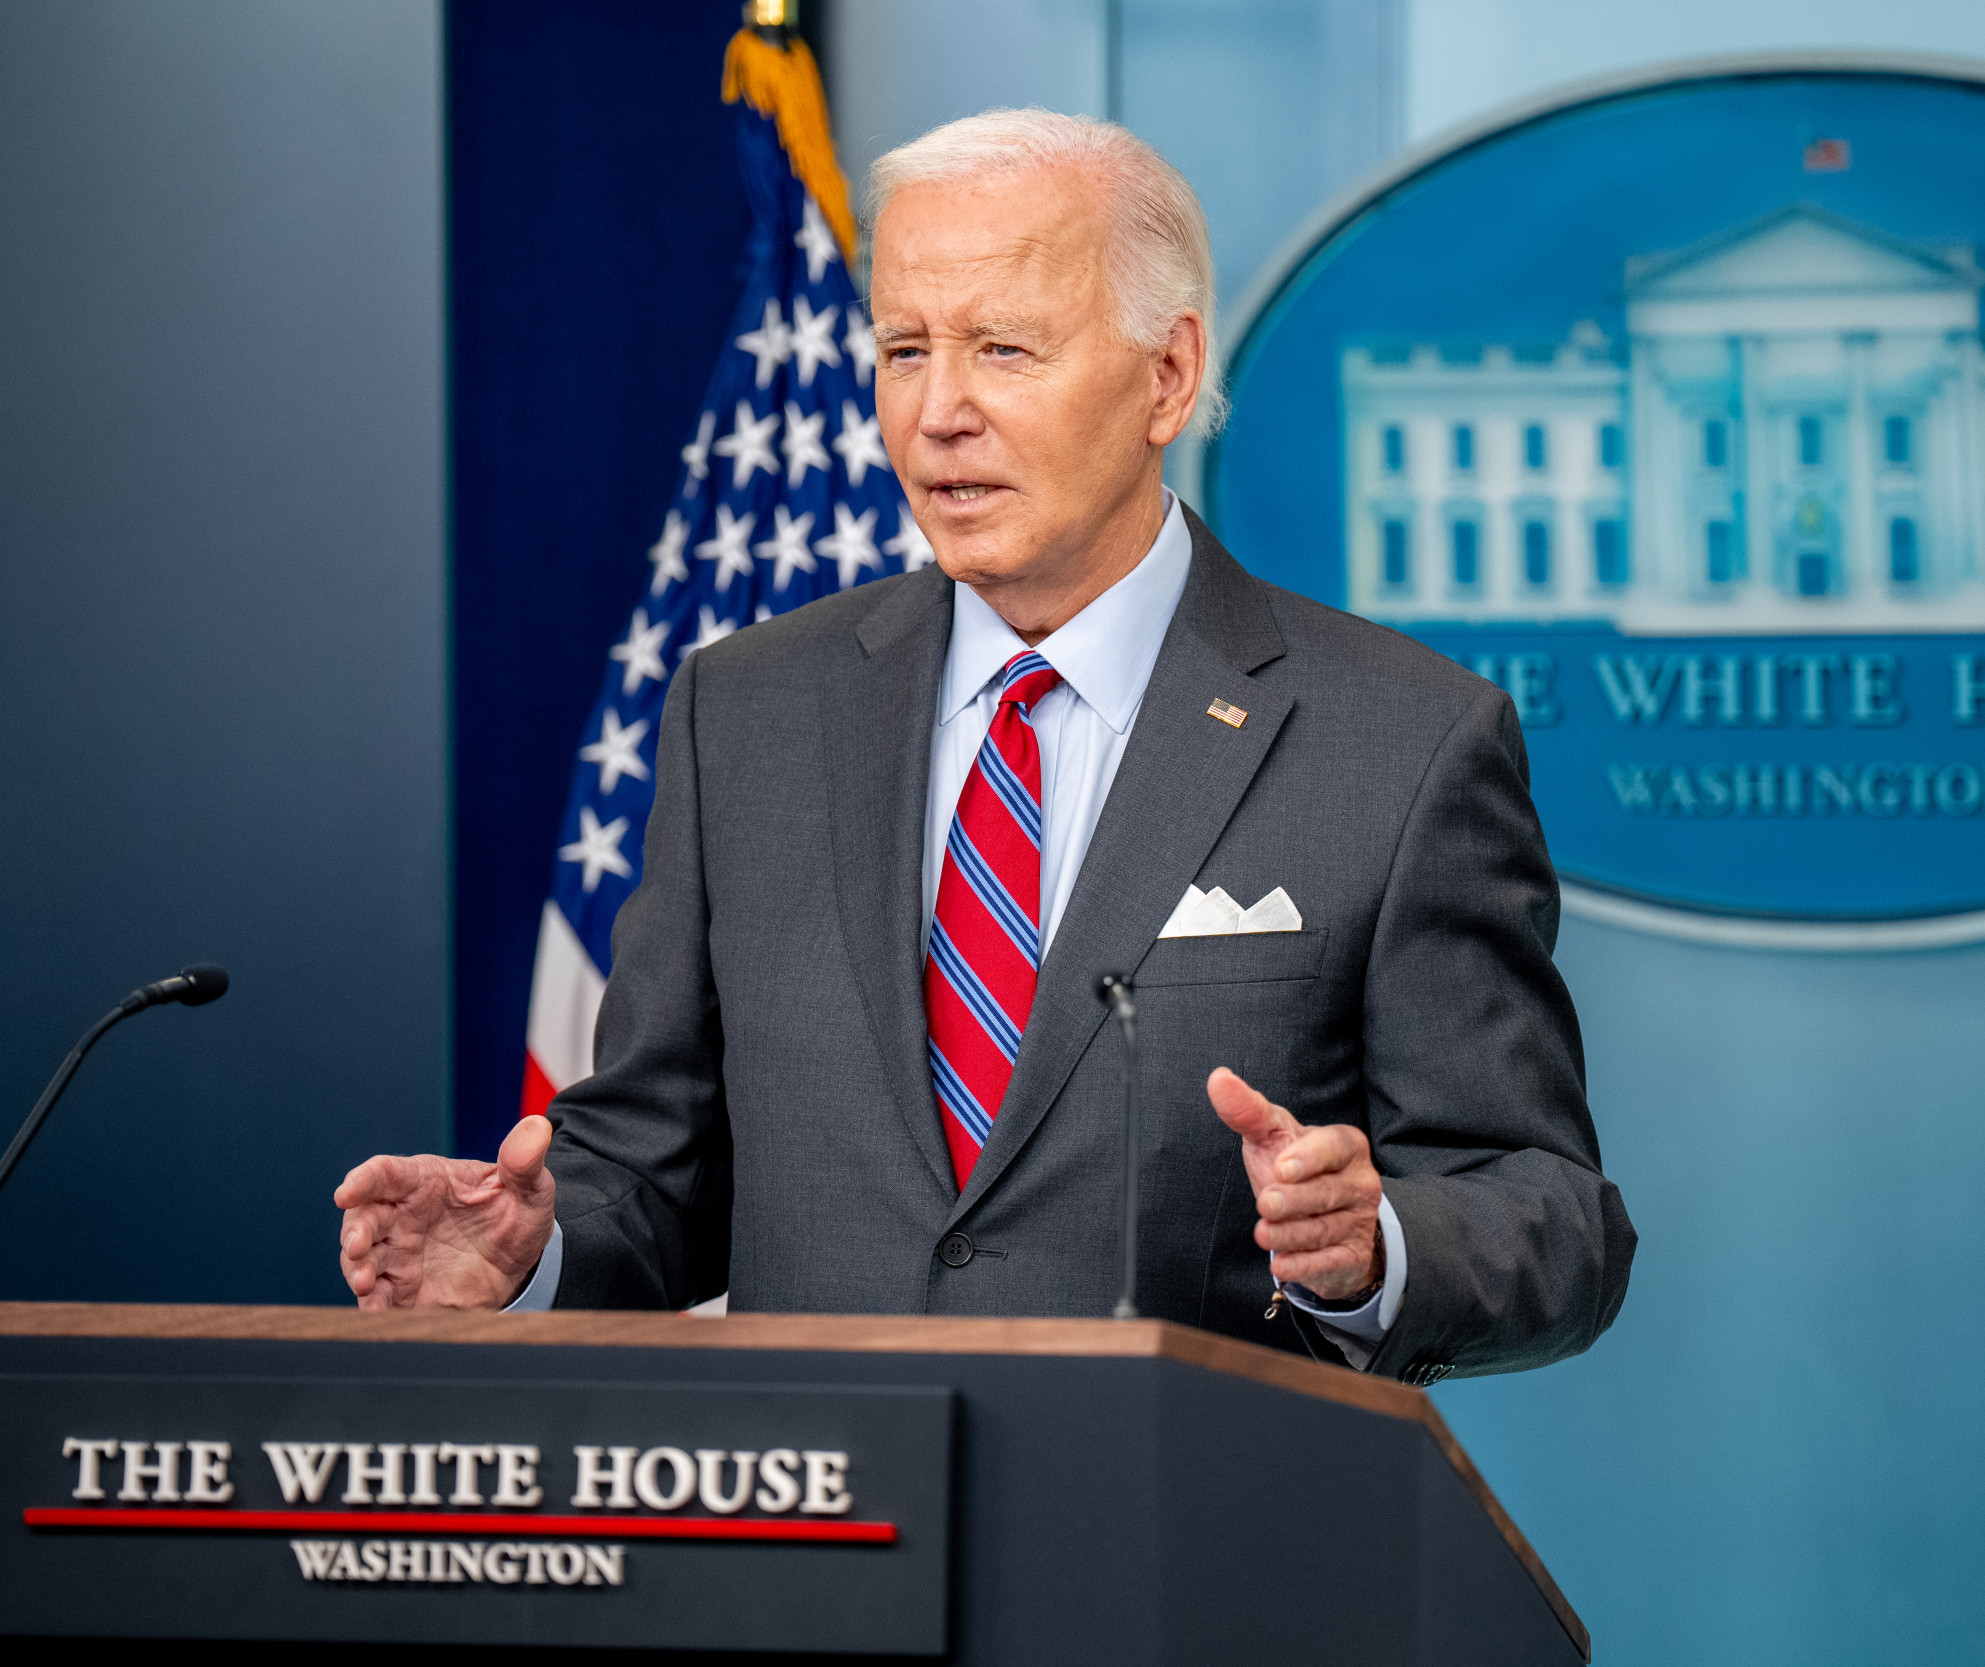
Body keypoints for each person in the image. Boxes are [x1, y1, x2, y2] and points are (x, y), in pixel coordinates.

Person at [337, 109, 1633, 1383]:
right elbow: (654, 1171)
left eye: (1005, 348)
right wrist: (528, 1258)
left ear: (1167, 377)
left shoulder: (1400, 740)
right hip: (821, 1552)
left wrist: (1378, 1246)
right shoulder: (745, 710)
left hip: (1188, 1554)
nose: (938, 410)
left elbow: (1548, 1214)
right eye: (905, 349)